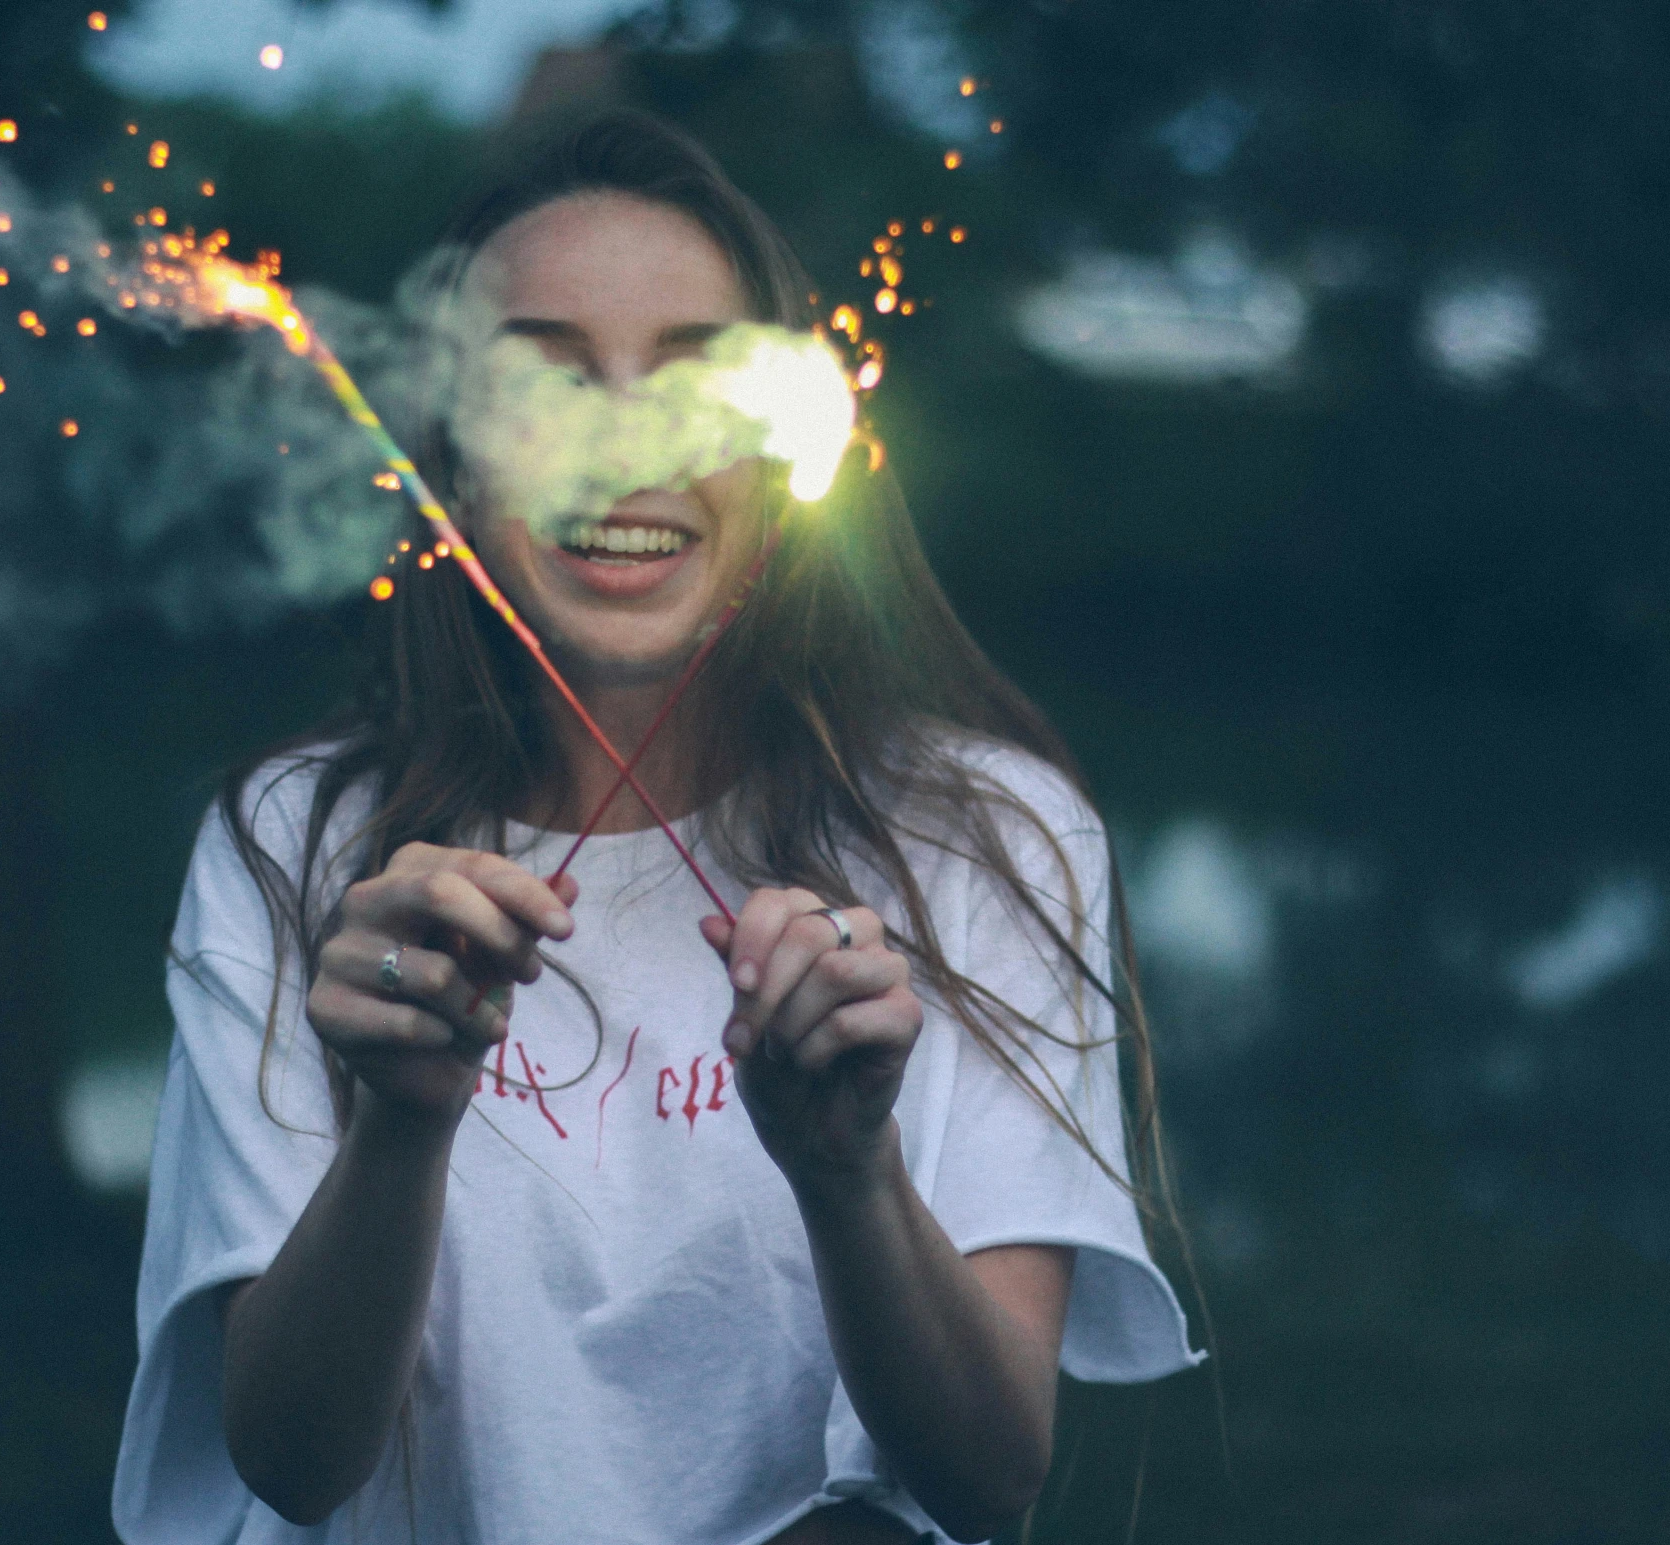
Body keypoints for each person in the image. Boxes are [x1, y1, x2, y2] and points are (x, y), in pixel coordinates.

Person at [112, 111, 1201, 1545]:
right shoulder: (293, 845)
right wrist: (398, 1128)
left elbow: (992, 1476)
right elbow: (294, 1463)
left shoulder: (988, 835)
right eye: (545, 382)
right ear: (447, 451)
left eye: (694, 383)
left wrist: (847, 1168)